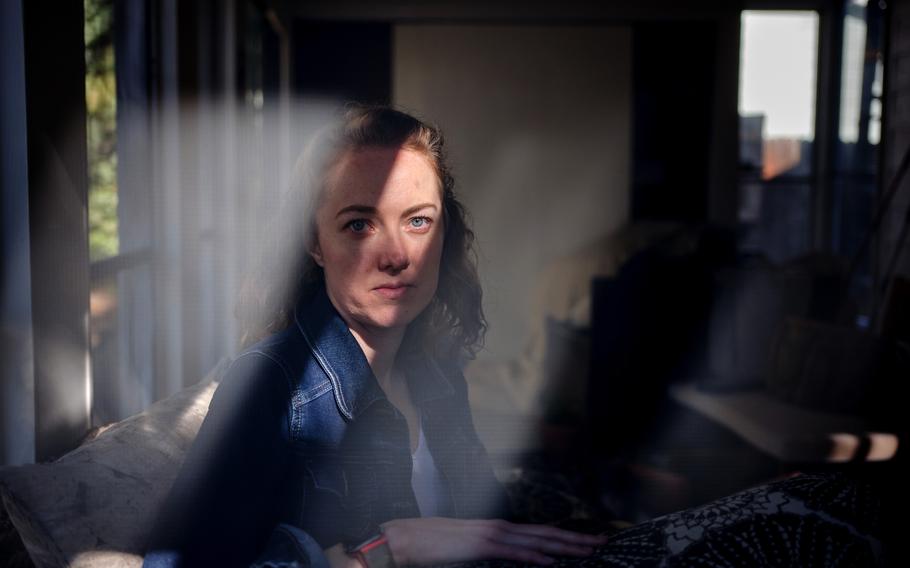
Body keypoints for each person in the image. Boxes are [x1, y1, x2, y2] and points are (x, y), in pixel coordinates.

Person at [143, 105, 608, 567]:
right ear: (314, 243)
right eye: (359, 224)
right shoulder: (272, 384)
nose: (396, 255)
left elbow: (483, 529)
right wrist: (380, 554)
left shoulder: (439, 373)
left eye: (418, 221)